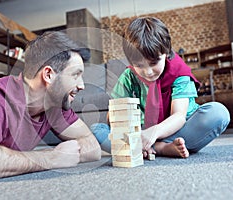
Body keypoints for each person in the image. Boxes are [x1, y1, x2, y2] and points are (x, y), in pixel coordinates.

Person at [0, 31, 101, 182]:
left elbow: (94, 148)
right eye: (75, 75)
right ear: (48, 75)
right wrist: (52, 158)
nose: (82, 85)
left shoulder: (56, 104)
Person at [91, 16, 230, 158]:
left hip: (178, 128)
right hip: (142, 132)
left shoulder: (179, 73)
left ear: (166, 52)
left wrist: (153, 133)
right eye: (139, 65)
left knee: (219, 113)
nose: (148, 72)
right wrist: (126, 127)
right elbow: (113, 117)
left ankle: (149, 147)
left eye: (154, 63)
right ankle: (159, 148)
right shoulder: (129, 75)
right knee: (97, 130)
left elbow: (179, 117)